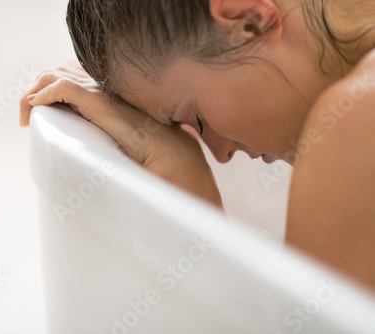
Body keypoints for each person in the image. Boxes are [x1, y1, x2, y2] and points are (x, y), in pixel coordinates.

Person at [19, 0, 375, 290]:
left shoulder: (357, 120)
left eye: (196, 119)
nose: (220, 154)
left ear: (248, 20)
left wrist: (192, 197)